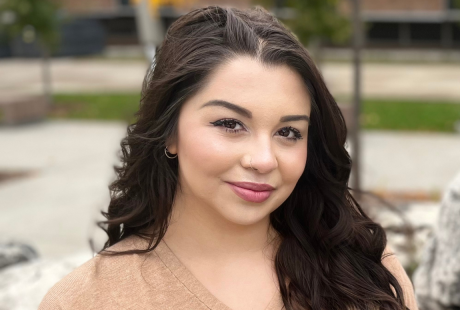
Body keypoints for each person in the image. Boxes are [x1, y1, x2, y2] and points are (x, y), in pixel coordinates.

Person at [40, 6, 416, 310]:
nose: (263, 159)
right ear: (170, 132)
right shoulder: (86, 300)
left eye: (289, 132)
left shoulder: (369, 277)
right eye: (230, 124)